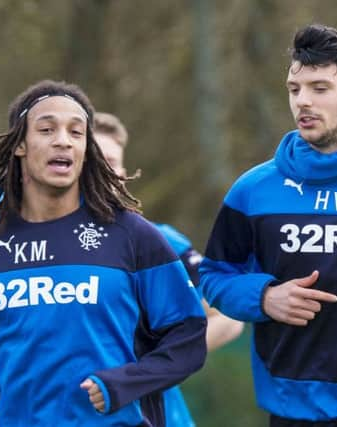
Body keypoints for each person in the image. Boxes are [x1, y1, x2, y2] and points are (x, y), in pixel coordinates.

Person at [0, 80, 208, 427]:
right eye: (47, 129)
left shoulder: (132, 238)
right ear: (20, 146)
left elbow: (187, 337)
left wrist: (126, 382)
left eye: (77, 133)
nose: (63, 140)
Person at [200, 23, 337, 426]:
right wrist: (263, 297)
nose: (303, 101)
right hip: (291, 408)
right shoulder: (252, 190)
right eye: (294, 89)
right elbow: (215, 274)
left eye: (320, 88)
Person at [93, 111, 244, 427]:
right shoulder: (39, 249)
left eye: (111, 160)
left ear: (123, 172)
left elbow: (228, 318)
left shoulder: (160, 242)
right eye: (94, 160)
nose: (104, 170)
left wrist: (153, 371)